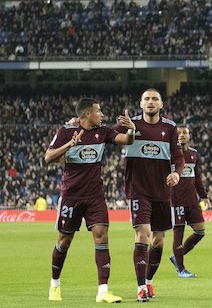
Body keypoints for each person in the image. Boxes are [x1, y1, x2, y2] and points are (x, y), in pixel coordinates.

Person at [45, 98, 136, 303]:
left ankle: (103, 291)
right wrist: (70, 144)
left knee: (101, 236)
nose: (101, 114)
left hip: (95, 196)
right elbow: (48, 157)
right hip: (71, 196)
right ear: (86, 114)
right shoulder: (66, 131)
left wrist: (131, 129)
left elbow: (126, 140)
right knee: (64, 241)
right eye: (98, 111)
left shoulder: (102, 132)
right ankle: (54, 285)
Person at [117, 88, 185, 302]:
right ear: (141, 103)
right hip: (138, 191)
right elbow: (106, 136)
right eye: (146, 99)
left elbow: (178, 156)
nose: (150, 102)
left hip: (163, 192)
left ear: (161, 104)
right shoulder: (130, 125)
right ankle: (140, 288)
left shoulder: (170, 128)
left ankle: (147, 281)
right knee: (143, 234)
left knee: (158, 241)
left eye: (155, 99)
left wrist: (176, 172)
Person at [168, 125, 210, 278]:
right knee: (178, 233)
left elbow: (197, 177)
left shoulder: (194, 154)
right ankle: (181, 269)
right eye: (179, 133)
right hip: (176, 199)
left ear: (189, 136)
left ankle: (176, 257)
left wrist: (203, 196)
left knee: (200, 230)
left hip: (192, 200)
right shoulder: (170, 154)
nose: (182, 135)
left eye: (185, 133)